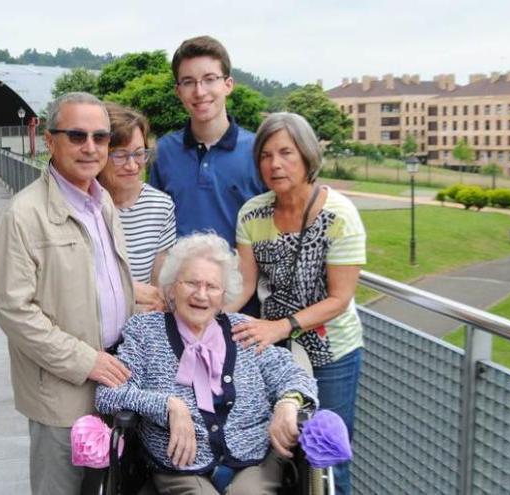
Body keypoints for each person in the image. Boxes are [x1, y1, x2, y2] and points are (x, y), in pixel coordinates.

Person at [0, 92, 135, 495]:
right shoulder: (22, 216)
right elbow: (14, 312)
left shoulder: (102, 202)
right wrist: (86, 360)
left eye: (101, 137)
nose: (91, 147)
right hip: (63, 392)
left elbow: (98, 282)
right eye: (76, 135)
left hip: (114, 378)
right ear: (50, 142)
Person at [96, 233, 317, 495]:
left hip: (253, 459)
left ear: (224, 295)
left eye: (211, 286)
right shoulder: (145, 332)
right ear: (172, 286)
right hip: (179, 464)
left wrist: (288, 402)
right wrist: (169, 406)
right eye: (191, 282)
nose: (201, 294)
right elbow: (108, 395)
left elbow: (293, 374)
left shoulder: (243, 329)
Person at [225, 113, 366, 495]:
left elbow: (340, 298)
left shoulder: (340, 216)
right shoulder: (252, 213)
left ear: (306, 155)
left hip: (331, 352)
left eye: (286, 152)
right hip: (278, 353)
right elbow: (245, 284)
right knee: (280, 450)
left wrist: (281, 325)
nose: (275, 164)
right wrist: (210, 316)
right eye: (266, 155)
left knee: (328, 454)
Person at [149, 35, 265, 248]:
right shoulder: (164, 152)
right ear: (178, 91)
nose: (199, 92)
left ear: (228, 85)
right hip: (178, 279)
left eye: (210, 79)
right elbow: (153, 225)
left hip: (243, 279)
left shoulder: (260, 151)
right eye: (188, 82)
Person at [98, 102, 175, 312]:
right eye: (120, 155)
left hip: (139, 326)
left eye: (139, 153)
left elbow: (159, 290)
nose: (132, 166)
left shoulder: (161, 206)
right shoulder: (85, 205)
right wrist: (126, 291)